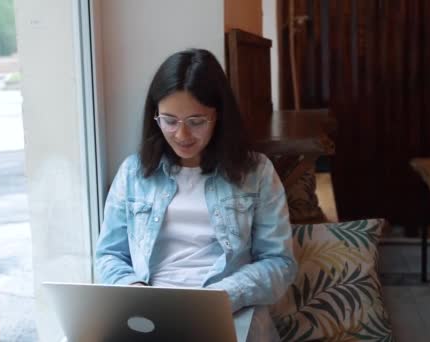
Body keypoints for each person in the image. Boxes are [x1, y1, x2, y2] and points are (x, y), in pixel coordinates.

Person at [95, 48, 297, 341]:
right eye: (169, 120)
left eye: (196, 121)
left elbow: (280, 263)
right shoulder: (134, 173)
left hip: (227, 310)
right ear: (155, 115)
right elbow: (109, 254)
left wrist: (219, 298)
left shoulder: (257, 172)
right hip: (149, 312)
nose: (182, 134)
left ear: (219, 116)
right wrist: (133, 291)